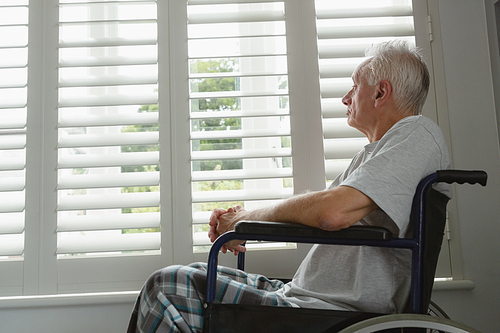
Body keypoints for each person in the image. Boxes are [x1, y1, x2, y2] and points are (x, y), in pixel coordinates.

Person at [127, 40, 451, 333]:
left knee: (169, 287)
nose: (345, 98)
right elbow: (325, 213)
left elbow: (331, 214)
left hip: (329, 312)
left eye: (354, 87)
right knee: (191, 274)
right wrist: (247, 222)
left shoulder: (416, 134)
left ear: (380, 93)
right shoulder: (383, 150)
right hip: (302, 298)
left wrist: (244, 219)